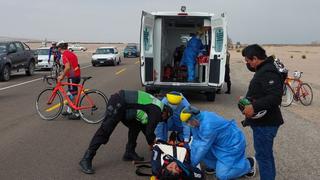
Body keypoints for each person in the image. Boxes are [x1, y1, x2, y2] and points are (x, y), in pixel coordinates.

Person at [79, 90, 173, 174]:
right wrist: (152, 143)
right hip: (119, 102)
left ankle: (129, 152)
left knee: (136, 125)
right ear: (165, 112)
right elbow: (149, 131)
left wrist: (153, 142)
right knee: (105, 130)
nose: (161, 120)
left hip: (124, 105)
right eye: (164, 118)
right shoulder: (157, 110)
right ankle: (86, 159)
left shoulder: (155, 105)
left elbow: (146, 128)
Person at [241, 44, 284, 180]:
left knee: (263, 157)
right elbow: (264, 92)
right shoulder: (264, 69)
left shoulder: (267, 71)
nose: (247, 64)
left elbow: (275, 97)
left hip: (266, 124)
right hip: (262, 122)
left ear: (255, 59)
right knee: (265, 155)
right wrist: (247, 100)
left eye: (248, 61)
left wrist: (254, 106)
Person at [179, 106, 256, 180]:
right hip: (218, 143)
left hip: (232, 145)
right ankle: (217, 166)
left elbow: (202, 148)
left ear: (194, 118)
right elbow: (196, 141)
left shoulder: (208, 125)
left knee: (222, 175)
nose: (188, 124)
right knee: (202, 153)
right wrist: (191, 158)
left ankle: (249, 164)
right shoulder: (197, 122)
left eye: (188, 122)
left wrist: (191, 165)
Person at [56, 41, 81, 120]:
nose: (57, 49)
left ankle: (76, 113)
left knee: (70, 94)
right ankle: (69, 110)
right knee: (72, 93)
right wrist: (63, 73)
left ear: (60, 48)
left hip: (72, 77)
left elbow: (67, 67)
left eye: (57, 48)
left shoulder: (64, 55)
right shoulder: (71, 53)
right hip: (77, 75)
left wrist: (62, 76)